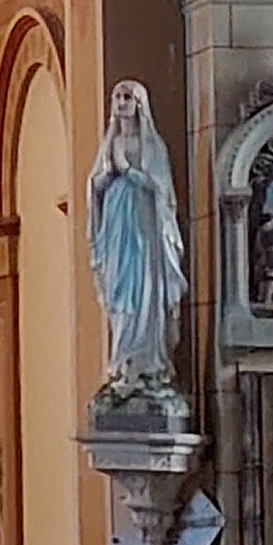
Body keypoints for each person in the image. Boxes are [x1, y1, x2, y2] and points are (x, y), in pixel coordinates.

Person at [85, 79, 186, 410]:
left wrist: (127, 170)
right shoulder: (110, 143)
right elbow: (96, 186)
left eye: (127, 96)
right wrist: (105, 178)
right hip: (117, 226)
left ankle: (149, 364)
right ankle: (124, 364)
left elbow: (161, 190)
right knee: (120, 296)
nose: (120, 102)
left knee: (145, 293)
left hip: (145, 229)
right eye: (116, 96)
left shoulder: (152, 145)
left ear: (139, 103)